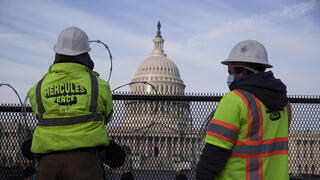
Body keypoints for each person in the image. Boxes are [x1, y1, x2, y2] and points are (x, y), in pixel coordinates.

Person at [196, 40, 291, 180]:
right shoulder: (285, 105)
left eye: (231, 72)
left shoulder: (234, 101)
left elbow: (213, 156)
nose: (229, 77)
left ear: (243, 72)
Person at [27, 26, 113, 180]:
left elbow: (40, 117)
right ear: (86, 55)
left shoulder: (38, 88)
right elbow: (106, 118)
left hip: (48, 164)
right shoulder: (99, 86)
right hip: (86, 163)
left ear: (57, 54)